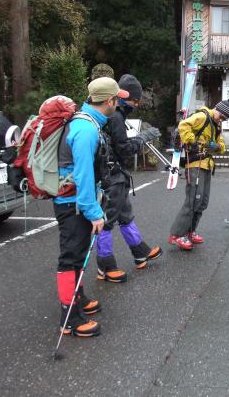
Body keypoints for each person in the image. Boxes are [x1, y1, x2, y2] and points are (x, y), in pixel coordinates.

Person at [54, 77, 128, 337]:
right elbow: (83, 175)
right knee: (71, 258)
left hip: (76, 202)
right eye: (117, 99)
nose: (118, 103)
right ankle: (69, 318)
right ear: (108, 101)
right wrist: (94, 213)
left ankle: (79, 297)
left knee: (76, 254)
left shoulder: (88, 122)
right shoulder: (86, 131)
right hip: (72, 204)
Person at [95, 74, 163, 283]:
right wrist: (144, 137)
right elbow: (124, 150)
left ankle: (140, 252)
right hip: (112, 176)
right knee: (107, 221)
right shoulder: (116, 117)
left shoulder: (116, 115)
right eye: (135, 100)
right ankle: (105, 266)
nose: (137, 104)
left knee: (124, 215)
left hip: (118, 176)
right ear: (125, 98)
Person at [168, 99, 229, 250]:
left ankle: (190, 231)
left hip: (207, 165)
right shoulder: (203, 117)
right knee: (192, 201)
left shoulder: (216, 125)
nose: (221, 119)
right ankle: (177, 235)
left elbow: (222, 147)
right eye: (221, 115)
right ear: (216, 108)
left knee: (202, 202)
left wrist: (216, 146)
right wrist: (193, 142)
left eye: (224, 118)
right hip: (195, 164)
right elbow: (183, 125)